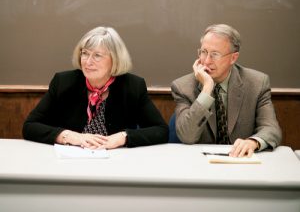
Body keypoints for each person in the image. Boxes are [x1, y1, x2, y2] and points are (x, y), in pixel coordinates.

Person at [23, 26, 168, 149]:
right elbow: (30, 126)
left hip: (116, 161)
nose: (88, 62)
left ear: (115, 59)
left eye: (97, 55)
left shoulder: (132, 86)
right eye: (85, 53)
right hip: (70, 160)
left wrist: (123, 137)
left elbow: (161, 131)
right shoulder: (63, 82)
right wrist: (68, 136)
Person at [171, 24, 282, 157]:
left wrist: (253, 142)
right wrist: (206, 89)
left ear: (233, 58)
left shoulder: (257, 83)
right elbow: (187, 136)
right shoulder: (183, 86)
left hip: (241, 162)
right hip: (200, 163)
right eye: (203, 52)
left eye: (215, 54)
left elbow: (271, 128)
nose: (206, 61)